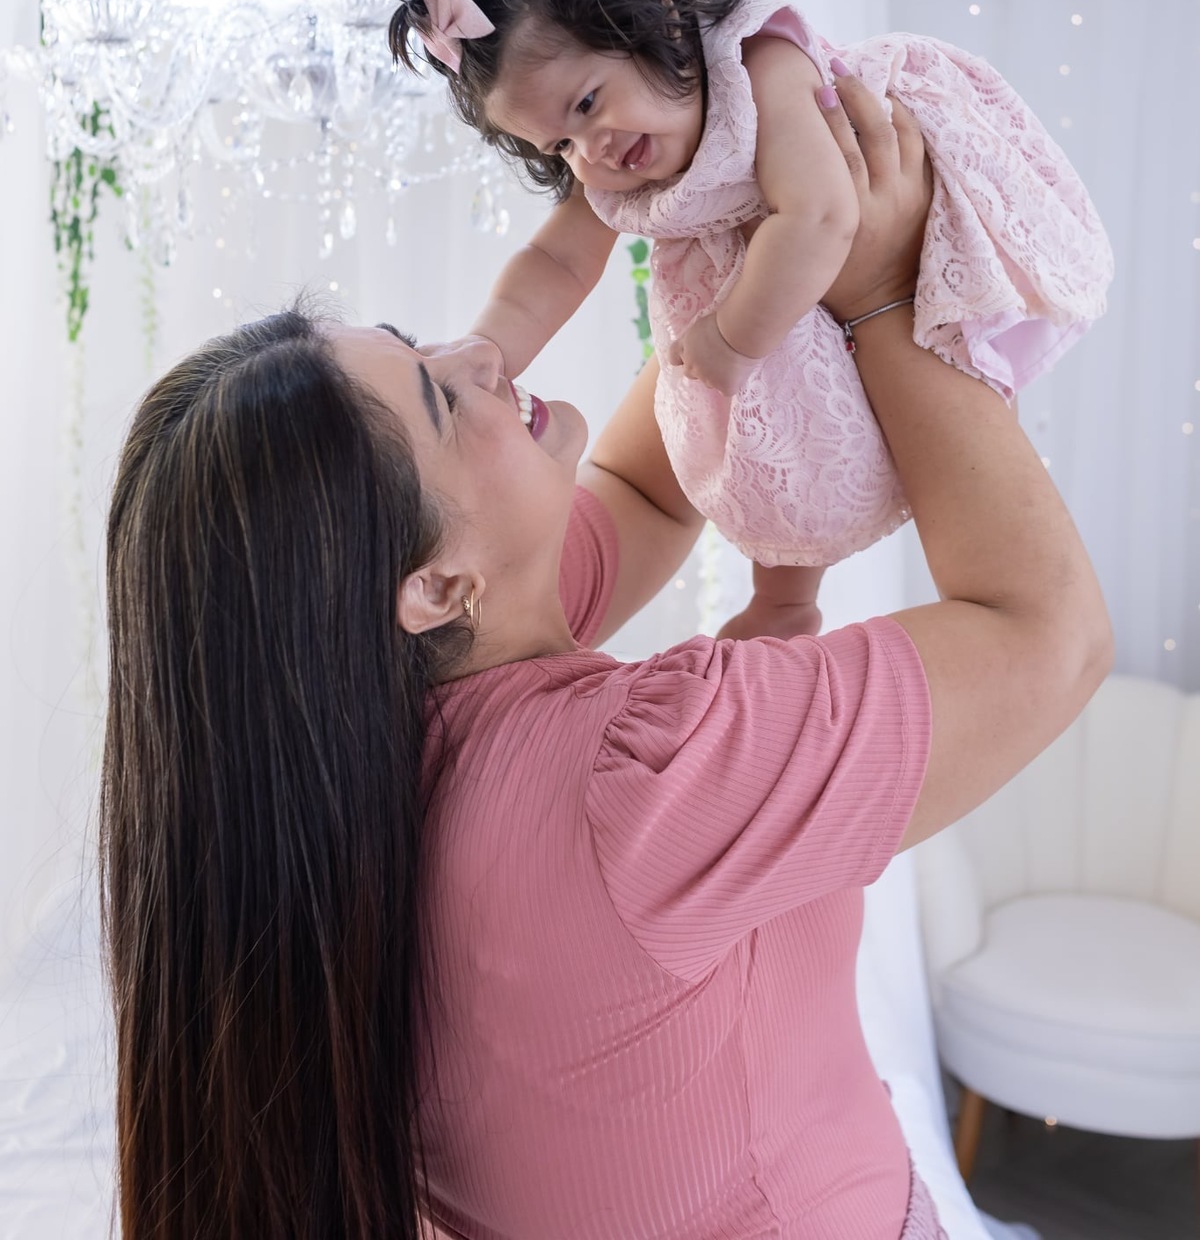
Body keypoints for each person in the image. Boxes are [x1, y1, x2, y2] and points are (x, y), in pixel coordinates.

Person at [100, 71, 1112, 1240]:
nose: (481, 353)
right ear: (430, 586)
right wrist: (883, 292)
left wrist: (761, 239)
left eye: (415, 344)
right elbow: (1049, 635)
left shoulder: (365, 729)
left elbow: (645, 483)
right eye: (439, 396)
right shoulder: (642, 783)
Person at [389, 0, 1113, 640]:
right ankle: (787, 600)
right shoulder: (617, 157)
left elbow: (822, 213)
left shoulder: (758, 63)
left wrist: (733, 337)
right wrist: (487, 352)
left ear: (651, 22)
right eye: (559, 143)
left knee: (785, 381)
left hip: (850, 226)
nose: (591, 150)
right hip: (778, 289)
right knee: (776, 432)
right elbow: (556, 262)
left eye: (589, 101)